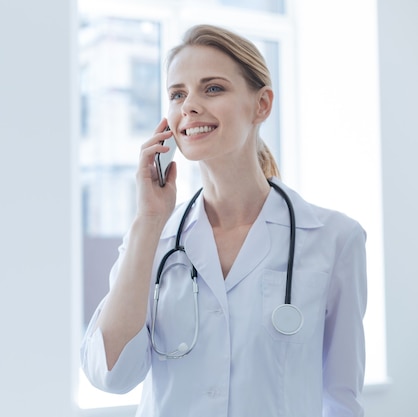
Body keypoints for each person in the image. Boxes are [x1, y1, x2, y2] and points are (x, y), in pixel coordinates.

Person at [80, 24, 367, 417]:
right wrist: (148, 220)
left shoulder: (335, 239)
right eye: (177, 94)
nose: (189, 106)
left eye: (212, 88)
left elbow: (341, 399)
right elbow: (110, 375)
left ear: (262, 104)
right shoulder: (154, 239)